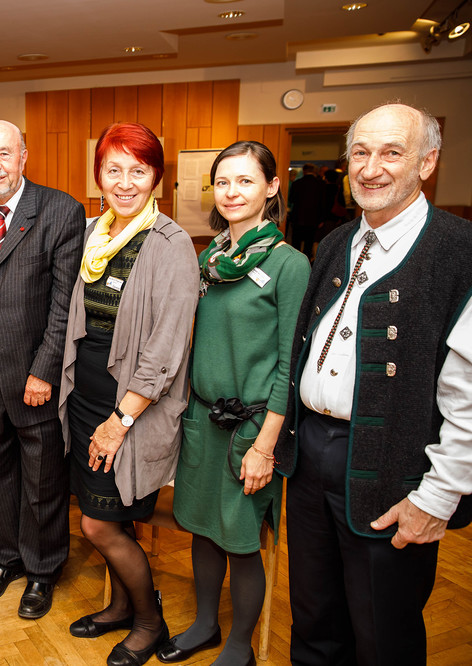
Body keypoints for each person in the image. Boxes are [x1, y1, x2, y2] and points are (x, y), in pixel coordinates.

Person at [275, 102, 472, 665]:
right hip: (311, 458)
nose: (370, 168)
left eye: (392, 153)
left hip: (393, 472)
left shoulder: (459, 251)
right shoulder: (339, 241)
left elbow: (468, 397)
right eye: (360, 153)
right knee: (313, 617)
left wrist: (437, 497)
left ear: (427, 162)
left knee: (383, 632)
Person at [162, 141, 310, 666]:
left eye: (246, 181)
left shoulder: (290, 265)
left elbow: (290, 366)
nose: (231, 192)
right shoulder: (210, 258)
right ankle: (205, 625)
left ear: (272, 187)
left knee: (242, 540)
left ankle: (240, 646)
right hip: (203, 419)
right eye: (223, 182)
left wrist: (265, 446)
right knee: (202, 530)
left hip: (252, 429)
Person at [59, 123, 199, 666]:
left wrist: (120, 421)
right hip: (85, 397)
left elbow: (167, 346)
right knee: (107, 519)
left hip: (132, 406)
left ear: (156, 178)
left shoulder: (171, 244)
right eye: (113, 169)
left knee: (98, 523)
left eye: (137, 171)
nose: (124, 182)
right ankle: (120, 608)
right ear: (98, 175)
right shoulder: (91, 233)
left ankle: (149, 621)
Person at [0, 120, 84, 620]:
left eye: (4, 153)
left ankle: (43, 569)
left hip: (33, 374)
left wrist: (44, 369)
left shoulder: (60, 210)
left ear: (24, 156)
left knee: (43, 478)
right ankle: (4, 559)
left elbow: (65, 302)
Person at [287, 163, 324, 259]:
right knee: (309, 244)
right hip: (313, 218)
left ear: (304, 171)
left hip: (298, 217)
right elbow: (322, 203)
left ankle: (294, 261)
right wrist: (321, 219)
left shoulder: (297, 183)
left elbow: (291, 199)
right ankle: (306, 263)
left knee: (296, 243)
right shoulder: (320, 184)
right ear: (314, 171)